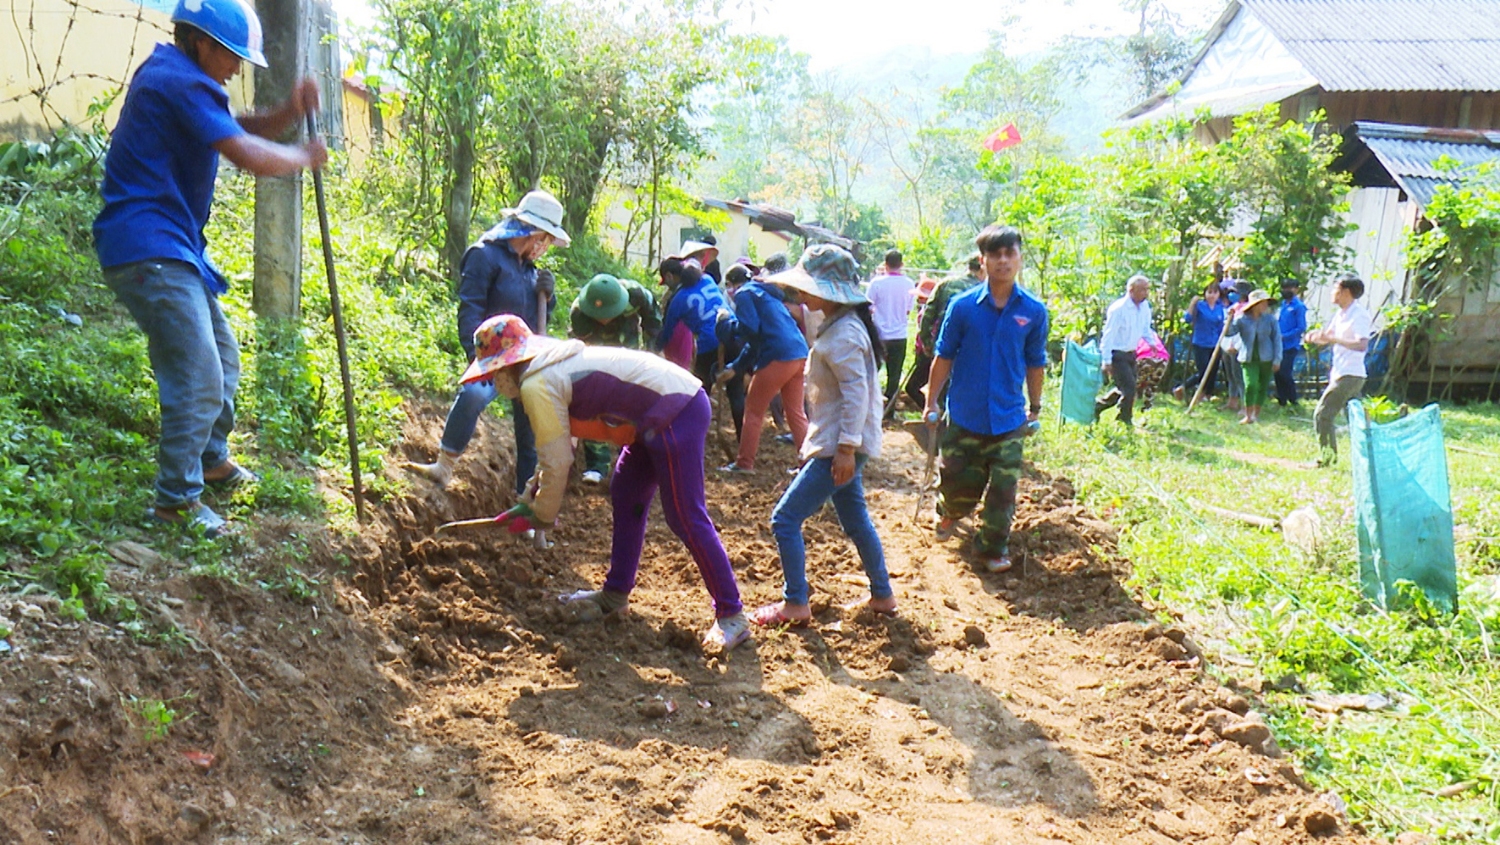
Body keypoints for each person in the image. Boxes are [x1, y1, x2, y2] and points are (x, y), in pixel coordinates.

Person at [93, 0, 328, 537]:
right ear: (201, 43)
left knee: (222, 356)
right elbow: (243, 151)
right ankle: (175, 501)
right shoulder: (177, 81)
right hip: (148, 248)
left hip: (171, 247)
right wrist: (302, 157)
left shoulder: (179, 77)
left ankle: (209, 457)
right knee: (198, 371)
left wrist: (289, 113)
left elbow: (232, 128)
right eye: (232, 55)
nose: (238, 68)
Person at [461, 314, 751, 650]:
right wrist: (533, 493)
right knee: (626, 491)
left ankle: (732, 614)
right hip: (659, 412)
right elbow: (557, 446)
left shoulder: (536, 383)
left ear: (507, 367)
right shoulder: (547, 369)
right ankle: (615, 594)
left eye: (494, 374)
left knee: (685, 514)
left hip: (675, 410)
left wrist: (541, 514)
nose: (495, 384)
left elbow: (558, 460)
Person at [749, 245, 896, 626]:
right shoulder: (840, 324)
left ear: (829, 291)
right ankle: (882, 595)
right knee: (855, 519)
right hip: (841, 441)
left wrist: (845, 449)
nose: (801, 294)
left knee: (785, 519)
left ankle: (795, 602)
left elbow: (857, 394)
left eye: (808, 287)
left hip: (840, 445)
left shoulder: (844, 333)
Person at [409, 191, 566, 491]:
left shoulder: (528, 269)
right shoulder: (484, 256)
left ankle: (526, 498)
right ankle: (444, 467)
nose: (545, 247)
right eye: (546, 239)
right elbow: (470, 308)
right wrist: (478, 357)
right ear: (533, 233)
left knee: (530, 428)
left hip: (525, 357)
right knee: (473, 395)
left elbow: (535, 319)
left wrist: (549, 298)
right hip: (493, 354)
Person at [925, 226, 1048, 574]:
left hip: (1008, 417)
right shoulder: (962, 307)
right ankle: (950, 511)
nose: (1003, 261)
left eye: (1010, 254)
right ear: (984, 261)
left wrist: (1035, 407)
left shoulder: (1034, 311)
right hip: (965, 414)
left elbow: (1035, 362)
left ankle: (992, 547)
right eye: (996, 255)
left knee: (1004, 489)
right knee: (957, 483)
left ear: (1020, 258)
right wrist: (931, 402)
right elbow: (944, 356)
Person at [568, 273, 661, 484]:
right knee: (594, 404)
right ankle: (596, 465)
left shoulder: (636, 295)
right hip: (597, 356)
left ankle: (630, 461)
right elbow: (580, 349)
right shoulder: (580, 313)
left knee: (632, 405)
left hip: (629, 352)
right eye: (600, 315)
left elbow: (653, 319)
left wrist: (652, 349)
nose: (604, 319)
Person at [717, 262, 810, 474]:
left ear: (732, 284)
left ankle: (744, 463)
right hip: (798, 353)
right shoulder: (766, 293)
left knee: (753, 410)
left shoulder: (744, 294)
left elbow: (748, 329)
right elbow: (755, 339)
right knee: (796, 413)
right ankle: (808, 464)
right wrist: (736, 367)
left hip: (778, 354)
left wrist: (725, 324)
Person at [1306, 274, 1374, 466]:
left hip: (1350, 374)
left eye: (1335, 288)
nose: (1332, 292)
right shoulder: (1341, 314)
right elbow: (1327, 336)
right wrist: (1314, 337)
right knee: (1355, 421)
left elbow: (1361, 345)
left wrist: (1334, 339)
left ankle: (1327, 458)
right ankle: (1370, 457)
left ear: (1346, 292)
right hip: (1342, 372)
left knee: (1323, 414)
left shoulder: (1359, 315)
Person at [905, 255, 982, 410]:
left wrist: (927, 343)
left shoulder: (945, 284)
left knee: (941, 391)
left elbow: (927, 316)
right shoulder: (985, 290)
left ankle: (939, 418)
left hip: (943, 348)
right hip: (972, 353)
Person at [1094, 275, 1160, 426]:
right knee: (1129, 388)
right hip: (1117, 354)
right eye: (1142, 290)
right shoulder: (1118, 309)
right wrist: (1106, 360)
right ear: (1131, 290)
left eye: (1147, 289)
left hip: (1131, 353)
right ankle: (1124, 419)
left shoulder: (1144, 307)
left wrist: (1152, 343)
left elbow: (1145, 328)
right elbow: (1108, 335)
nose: (1146, 293)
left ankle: (1098, 406)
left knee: (1126, 388)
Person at [656, 254, 728, 390]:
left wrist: (655, 350)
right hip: (734, 333)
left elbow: (667, 332)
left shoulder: (677, 299)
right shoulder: (707, 279)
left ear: (670, 277)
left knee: (699, 387)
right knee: (735, 388)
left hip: (710, 341)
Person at [865, 249, 917, 418]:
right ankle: (889, 411)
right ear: (901, 264)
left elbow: (868, 308)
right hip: (899, 335)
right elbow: (908, 310)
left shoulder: (876, 283)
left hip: (879, 334)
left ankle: (868, 407)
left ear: (885, 264)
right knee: (894, 375)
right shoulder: (909, 284)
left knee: (871, 371)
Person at [1228, 289, 1282, 424]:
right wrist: (1229, 319)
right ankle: (1247, 414)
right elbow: (1229, 332)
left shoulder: (1270, 320)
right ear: (1255, 305)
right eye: (1262, 303)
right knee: (1250, 385)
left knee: (1262, 386)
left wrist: (1277, 359)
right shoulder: (1241, 319)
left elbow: (1277, 339)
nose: (1265, 306)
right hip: (1248, 358)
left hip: (1266, 358)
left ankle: (1255, 414)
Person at [1174, 280, 1226, 401]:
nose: (1212, 295)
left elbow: (1221, 327)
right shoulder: (1200, 306)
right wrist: (1192, 304)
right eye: (1209, 292)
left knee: (1213, 370)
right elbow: (1188, 319)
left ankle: (1207, 395)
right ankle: (1183, 388)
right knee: (1203, 370)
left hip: (1215, 343)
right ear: (1205, 293)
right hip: (1200, 343)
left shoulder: (1220, 308)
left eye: (1215, 292)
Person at [1275, 278, 1308, 408]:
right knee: (1277, 372)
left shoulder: (1298, 306)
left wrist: (1285, 336)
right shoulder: (1282, 305)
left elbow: (1301, 327)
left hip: (1290, 345)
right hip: (1278, 345)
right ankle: (1281, 400)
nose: (1286, 291)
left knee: (1285, 372)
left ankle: (1293, 399)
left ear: (1296, 289)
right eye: (1284, 288)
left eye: (1289, 288)